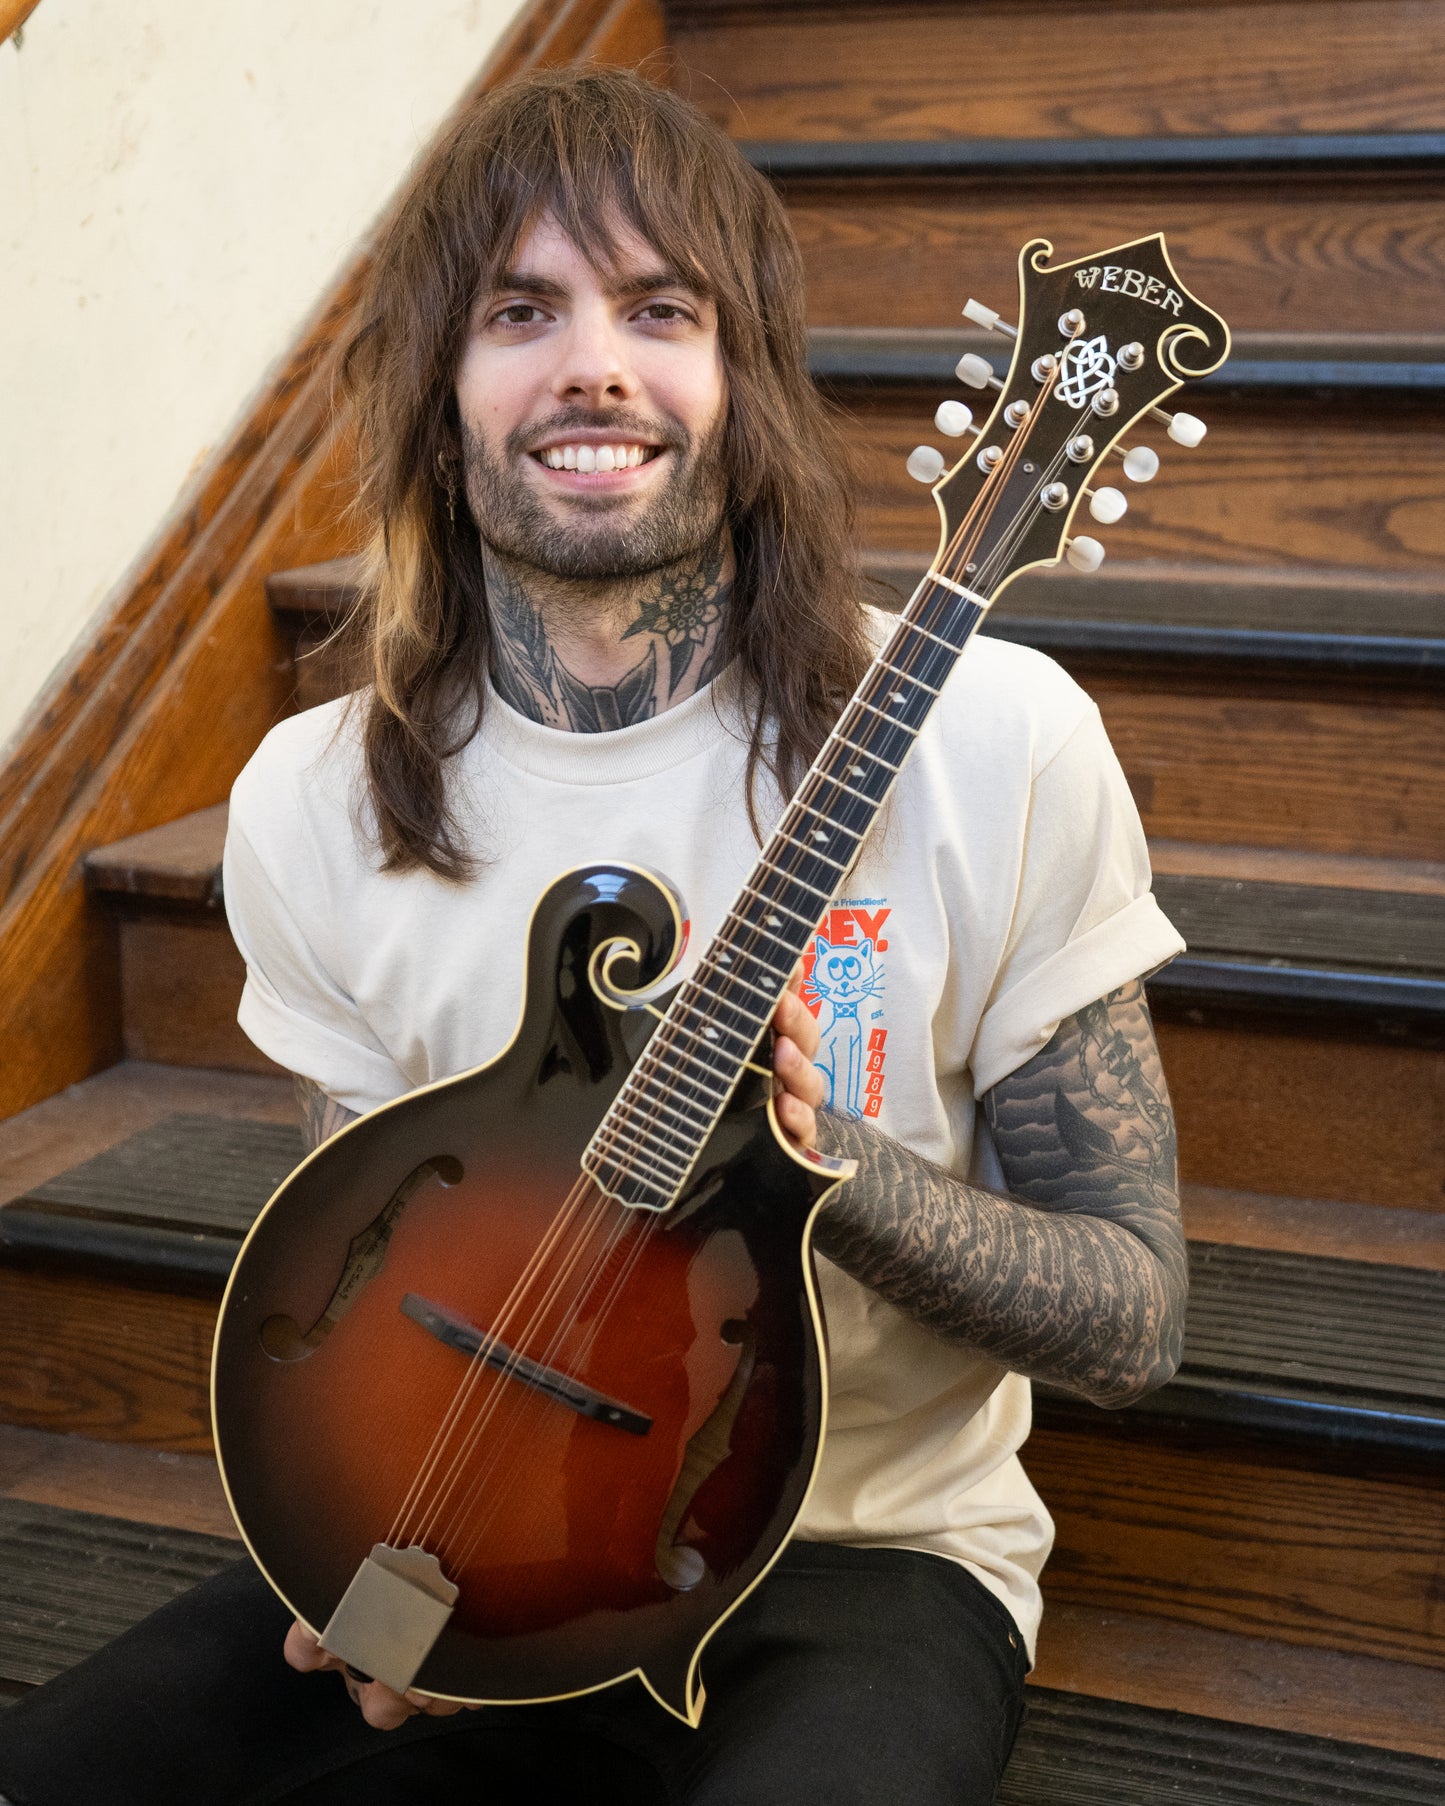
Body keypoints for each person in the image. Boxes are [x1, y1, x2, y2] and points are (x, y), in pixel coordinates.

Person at [0, 66, 1187, 1806]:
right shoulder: (312, 798)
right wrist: (397, 1554)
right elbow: (374, 1274)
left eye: (658, 308)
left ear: (746, 383)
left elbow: (1134, 1318)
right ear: (437, 391)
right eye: (520, 310)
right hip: (481, 1521)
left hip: (868, 1565)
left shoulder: (994, 737)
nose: (595, 366)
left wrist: (817, 1163)